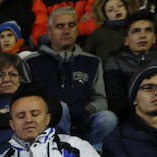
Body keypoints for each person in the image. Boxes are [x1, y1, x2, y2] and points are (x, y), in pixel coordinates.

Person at [23, 6, 118, 149]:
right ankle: (61, 150)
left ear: (77, 30)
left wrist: (88, 110)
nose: (66, 30)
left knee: (108, 119)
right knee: (61, 108)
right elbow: (26, 100)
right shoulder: (31, 62)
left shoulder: (92, 61)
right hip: (48, 126)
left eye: (71, 25)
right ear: (49, 33)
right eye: (60, 26)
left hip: (83, 122)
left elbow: (101, 99)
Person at [104, 12, 157, 120]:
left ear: (154, 38)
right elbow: (116, 103)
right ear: (126, 40)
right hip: (128, 120)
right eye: (136, 31)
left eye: (148, 30)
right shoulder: (114, 62)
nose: (143, 35)